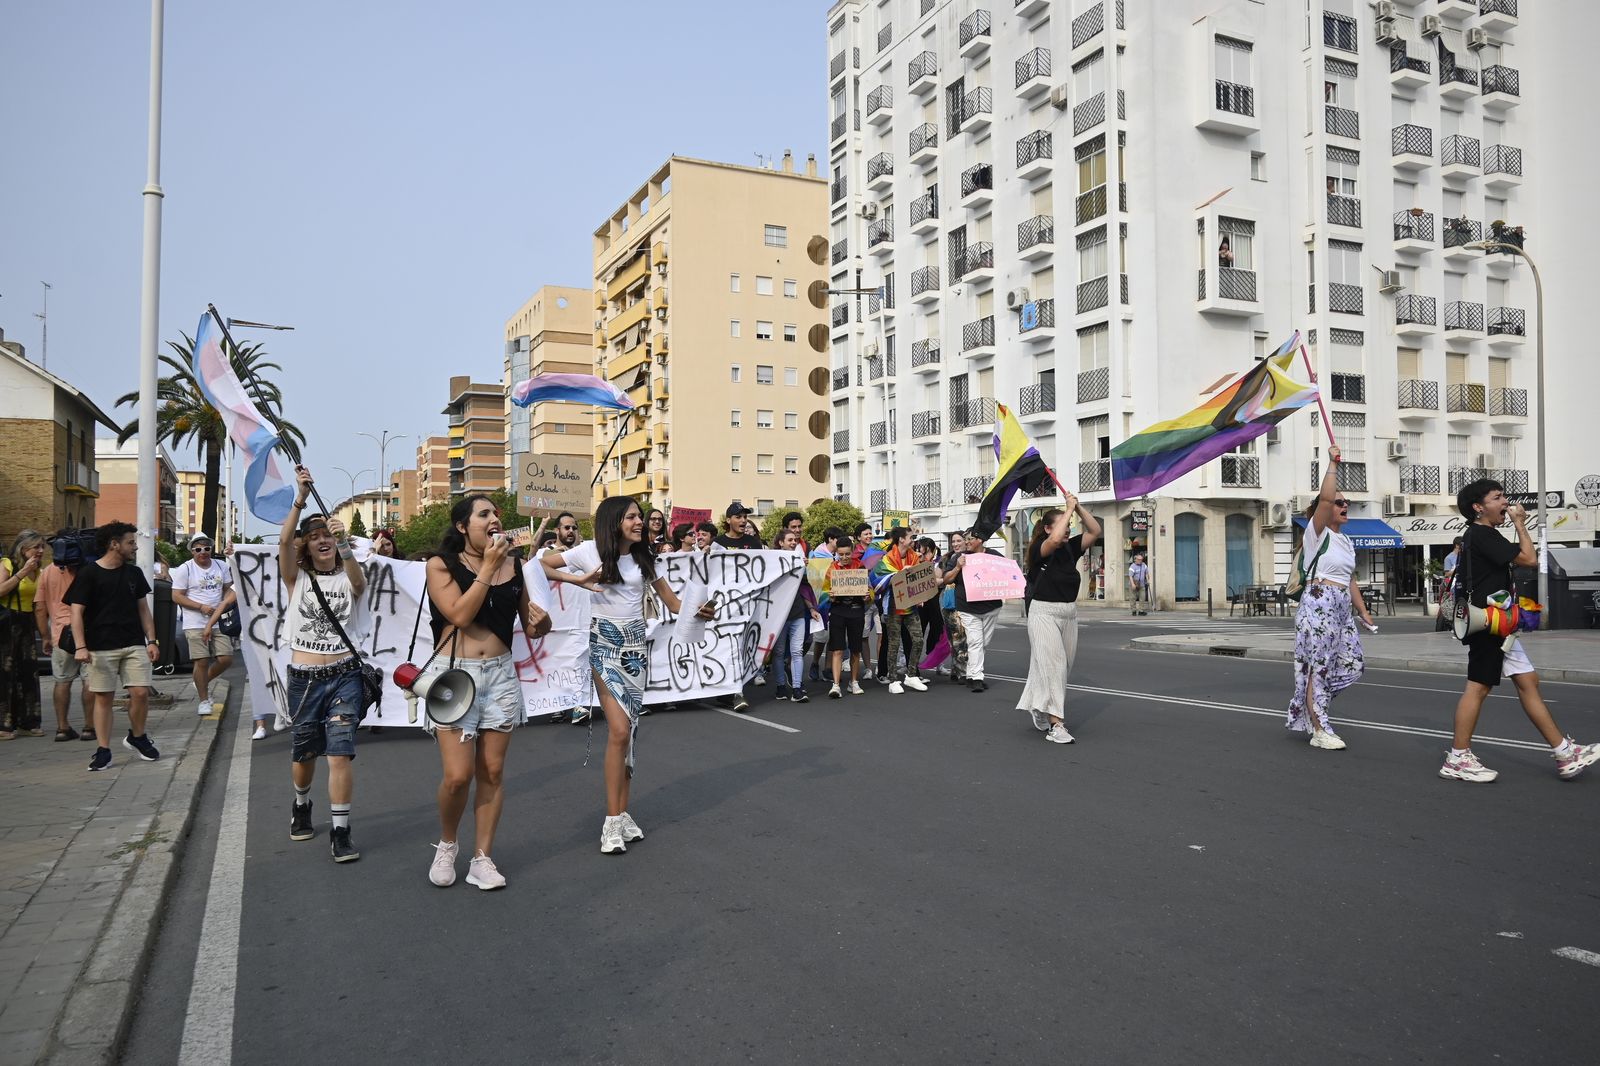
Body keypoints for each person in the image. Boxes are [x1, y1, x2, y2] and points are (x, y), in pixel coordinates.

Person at [542, 496, 713, 854]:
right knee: (618, 730)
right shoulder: (588, 552)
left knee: (630, 735)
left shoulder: (644, 558)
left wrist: (700, 611)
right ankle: (610, 823)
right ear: (614, 520)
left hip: (636, 652)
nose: (641, 522)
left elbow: (674, 604)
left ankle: (622, 813)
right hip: (604, 646)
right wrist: (577, 581)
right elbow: (539, 565)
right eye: (633, 517)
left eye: (640, 517)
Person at [423, 495, 552, 889]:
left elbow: (531, 629)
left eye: (496, 514)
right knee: (458, 776)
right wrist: (489, 567)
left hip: (500, 676)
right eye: (484, 515)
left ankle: (483, 858)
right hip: (456, 677)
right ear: (463, 526)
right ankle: (447, 844)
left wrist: (541, 623)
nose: (495, 519)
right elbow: (459, 615)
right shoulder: (440, 565)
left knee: (492, 771)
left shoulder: (518, 567)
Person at [1440, 481, 1600, 783]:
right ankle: (1458, 758)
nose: (1505, 501)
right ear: (1478, 507)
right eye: (1497, 497)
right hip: (1488, 624)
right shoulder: (1482, 534)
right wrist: (1520, 524)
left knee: (1528, 681)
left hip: (1499, 623)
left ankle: (1565, 754)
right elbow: (1529, 559)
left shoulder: (1484, 535)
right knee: (1478, 687)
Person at [279, 467, 368, 862]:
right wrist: (300, 498)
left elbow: (359, 581)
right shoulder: (295, 578)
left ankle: (341, 831)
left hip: (345, 676)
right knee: (304, 755)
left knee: (339, 753)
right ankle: (301, 803)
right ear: (307, 547)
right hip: (305, 680)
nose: (322, 542)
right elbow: (284, 540)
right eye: (314, 538)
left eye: (326, 536)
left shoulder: (349, 577)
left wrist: (345, 541)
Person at [1285, 445, 1374, 752]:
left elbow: (1350, 579)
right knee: (1319, 668)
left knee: (1351, 664)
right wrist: (1332, 464)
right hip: (1318, 603)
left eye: (1346, 502)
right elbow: (1325, 498)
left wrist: (1362, 611)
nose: (1344, 504)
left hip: (1341, 608)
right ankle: (1320, 726)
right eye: (1339, 502)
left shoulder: (1346, 541)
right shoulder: (1317, 534)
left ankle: (1311, 702)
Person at [64, 522, 162, 770]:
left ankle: (137, 737)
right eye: (130, 542)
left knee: (140, 693)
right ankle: (103, 750)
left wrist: (152, 640)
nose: (135, 546)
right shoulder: (89, 573)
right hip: (100, 647)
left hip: (133, 644)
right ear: (114, 544)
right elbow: (76, 613)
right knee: (104, 698)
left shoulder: (134, 574)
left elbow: (144, 610)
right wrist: (80, 646)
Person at [1017, 500, 1102, 744]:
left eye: (1070, 526)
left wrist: (1077, 509)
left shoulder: (1071, 547)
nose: (1068, 529)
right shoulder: (1039, 549)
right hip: (1043, 612)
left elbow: (1095, 531)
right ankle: (1057, 725)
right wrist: (1066, 510)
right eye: (1064, 525)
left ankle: (1039, 705)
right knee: (1053, 666)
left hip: (1068, 613)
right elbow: (1054, 540)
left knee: (1060, 667)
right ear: (1047, 529)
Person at [169, 534, 237, 721]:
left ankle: (201, 682)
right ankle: (204, 699)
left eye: (207, 548)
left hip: (218, 621)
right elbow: (177, 596)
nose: (203, 552)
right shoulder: (186, 569)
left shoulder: (221, 566)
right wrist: (200, 607)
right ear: (192, 551)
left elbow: (228, 588)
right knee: (201, 661)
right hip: (194, 622)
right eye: (198, 549)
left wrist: (225, 604)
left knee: (226, 658)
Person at [34, 534, 94, 742]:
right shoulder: (88, 568)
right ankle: (89, 727)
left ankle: (62, 728)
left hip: (60, 634)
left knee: (61, 681)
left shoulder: (47, 572)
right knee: (90, 680)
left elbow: (40, 608)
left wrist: (46, 636)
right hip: (88, 632)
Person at [713, 502, 762, 710]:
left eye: (744, 517)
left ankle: (734, 690)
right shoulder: (718, 543)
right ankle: (733, 691)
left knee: (740, 648)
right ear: (728, 520)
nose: (743, 521)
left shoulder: (754, 542)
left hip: (748, 604)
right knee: (728, 647)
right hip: (725, 605)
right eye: (738, 517)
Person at [1, 531, 47, 740]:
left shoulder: (39, 571)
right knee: (5, 673)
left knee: (28, 671)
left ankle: (28, 722)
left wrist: (45, 634)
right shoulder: (8, 564)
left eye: (42, 547)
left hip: (27, 622)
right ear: (23, 548)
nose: (40, 551)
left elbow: (40, 604)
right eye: (36, 547)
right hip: (6, 621)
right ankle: (4, 724)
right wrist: (21, 573)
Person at [946, 530, 1003, 693]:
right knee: (975, 641)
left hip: (991, 607)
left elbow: (1007, 573)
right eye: (966, 539)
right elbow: (947, 579)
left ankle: (971, 675)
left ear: (981, 539)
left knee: (983, 642)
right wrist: (958, 567)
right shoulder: (959, 558)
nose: (967, 541)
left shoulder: (994, 555)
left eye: (971, 538)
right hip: (967, 608)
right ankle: (977, 678)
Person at [874, 527, 929, 695]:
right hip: (893, 607)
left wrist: (921, 595)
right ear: (901, 540)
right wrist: (899, 574)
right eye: (911, 537)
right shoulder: (887, 559)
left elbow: (920, 578)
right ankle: (892, 680)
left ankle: (911, 675)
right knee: (893, 644)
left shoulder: (914, 557)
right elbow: (878, 581)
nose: (913, 540)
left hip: (911, 606)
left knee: (918, 640)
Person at [826, 537, 871, 699]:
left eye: (847, 554)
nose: (844, 558)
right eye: (841, 555)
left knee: (855, 649)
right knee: (837, 649)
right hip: (838, 611)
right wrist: (829, 596)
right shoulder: (832, 569)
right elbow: (824, 593)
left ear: (852, 552)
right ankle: (836, 685)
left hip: (856, 611)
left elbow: (869, 590)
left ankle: (853, 682)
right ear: (836, 553)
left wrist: (867, 596)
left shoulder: (859, 567)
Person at [806, 527, 843, 682]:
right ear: (830, 539)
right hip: (821, 600)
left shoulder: (839, 556)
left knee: (834, 636)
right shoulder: (816, 555)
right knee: (821, 636)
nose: (839, 542)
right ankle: (815, 663)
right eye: (837, 539)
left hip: (837, 599)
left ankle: (828, 668)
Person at [936, 532, 969, 682]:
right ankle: (961, 672)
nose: (955, 544)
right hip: (950, 601)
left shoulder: (971, 556)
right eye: (953, 541)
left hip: (964, 601)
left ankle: (956, 670)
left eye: (958, 541)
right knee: (957, 637)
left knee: (961, 637)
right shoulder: (949, 559)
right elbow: (942, 579)